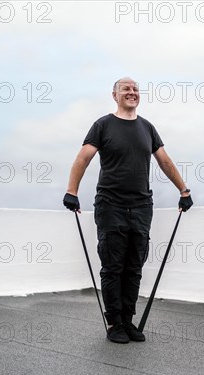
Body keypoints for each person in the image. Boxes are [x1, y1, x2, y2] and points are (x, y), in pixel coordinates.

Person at [63, 77, 193, 344]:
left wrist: (184, 190)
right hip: (111, 205)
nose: (132, 93)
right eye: (126, 89)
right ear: (115, 95)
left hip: (142, 206)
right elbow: (83, 158)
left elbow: (164, 161)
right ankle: (114, 323)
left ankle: (128, 321)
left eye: (135, 89)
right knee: (113, 266)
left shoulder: (147, 128)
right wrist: (72, 191)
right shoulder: (103, 125)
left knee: (134, 266)